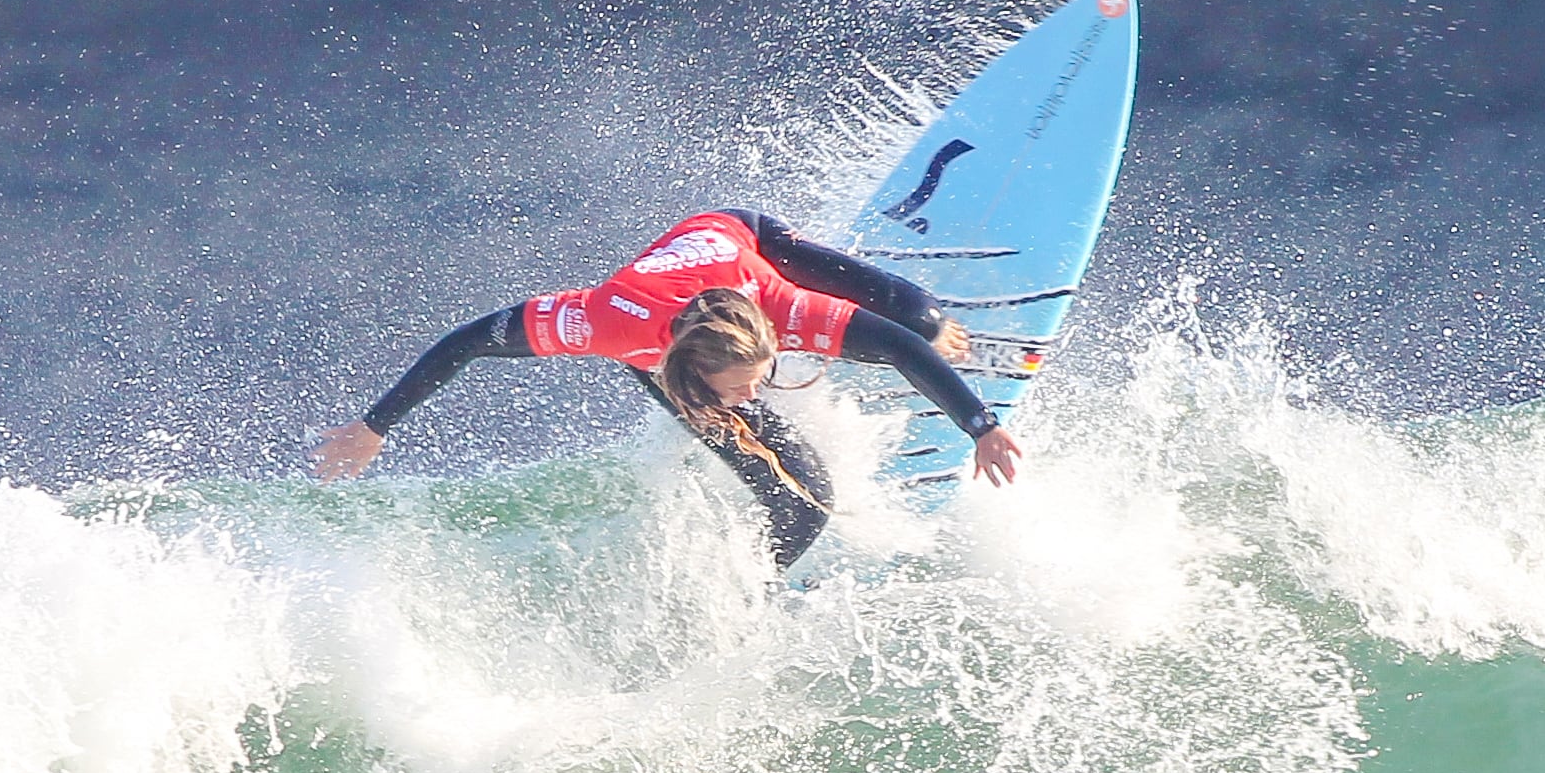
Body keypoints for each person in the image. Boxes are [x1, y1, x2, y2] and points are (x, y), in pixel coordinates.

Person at [312, 209, 1019, 566]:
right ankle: (757, 595)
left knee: (916, 319)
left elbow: (895, 345)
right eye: (743, 387)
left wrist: (980, 424)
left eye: (758, 381)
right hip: (661, 339)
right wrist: (375, 426)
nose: (753, 395)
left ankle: (925, 319)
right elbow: (468, 342)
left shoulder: (776, 304)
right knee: (804, 502)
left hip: (745, 238)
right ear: (694, 376)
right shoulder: (602, 323)